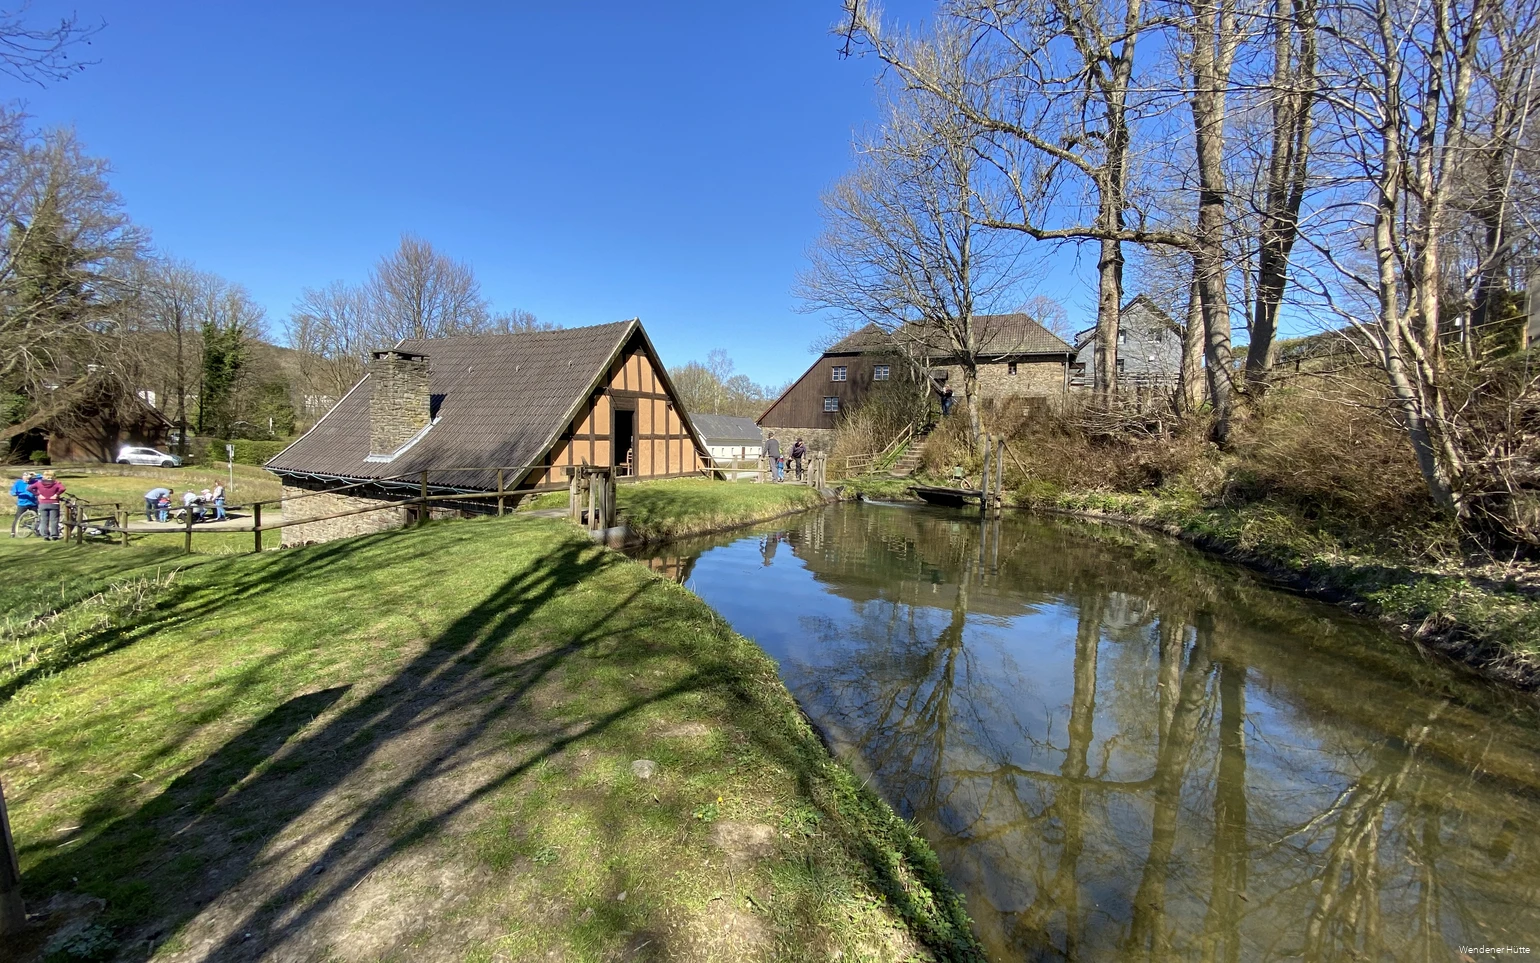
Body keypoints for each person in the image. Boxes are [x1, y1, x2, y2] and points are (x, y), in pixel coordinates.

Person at [29, 470, 65, 540]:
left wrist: (38, 494)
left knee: (44, 520)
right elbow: (63, 488)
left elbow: (29, 488)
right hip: (54, 503)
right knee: (54, 520)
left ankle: (45, 535)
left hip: (43, 503)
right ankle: (54, 535)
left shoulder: (39, 483)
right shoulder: (56, 483)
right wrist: (56, 494)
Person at [10, 471, 37, 537]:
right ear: (23, 478)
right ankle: (13, 533)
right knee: (18, 518)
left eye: (29, 479)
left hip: (33, 503)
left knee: (36, 518)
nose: (28, 480)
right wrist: (16, 493)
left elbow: (44, 478)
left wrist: (35, 474)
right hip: (22, 504)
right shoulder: (18, 483)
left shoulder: (35, 482)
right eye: (26, 479)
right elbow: (13, 492)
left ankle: (37, 531)